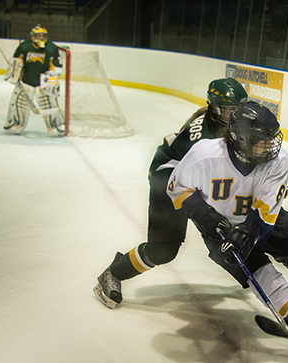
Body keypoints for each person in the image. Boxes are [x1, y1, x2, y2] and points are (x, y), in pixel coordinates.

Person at [167, 101, 288, 363]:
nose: (272, 145)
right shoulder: (204, 154)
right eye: (263, 140)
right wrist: (202, 213)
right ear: (240, 139)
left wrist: (249, 231)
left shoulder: (279, 161)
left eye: (273, 138)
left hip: (264, 222)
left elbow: (263, 213)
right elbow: (176, 186)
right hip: (220, 231)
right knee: (268, 282)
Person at [93, 78, 248, 308]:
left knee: (230, 231)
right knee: (164, 250)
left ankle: (257, 281)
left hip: (190, 181)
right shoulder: (203, 137)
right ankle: (113, 273)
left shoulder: (223, 126)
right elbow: (201, 178)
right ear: (215, 108)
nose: (235, 115)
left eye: (238, 109)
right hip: (166, 182)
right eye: (229, 110)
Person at [3, 24, 65, 136]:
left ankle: (55, 125)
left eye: (44, 35)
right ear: (32, 36)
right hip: (26, 82)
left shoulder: (51, 48)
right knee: (18, 104)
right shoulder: (24, 47)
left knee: (49, 105)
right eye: (39, 35)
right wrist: (15, 72)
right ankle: (15, 124)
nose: (42, 37)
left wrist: (51, 81)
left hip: (42, 84)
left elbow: (56, 67)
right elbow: (17, 61)